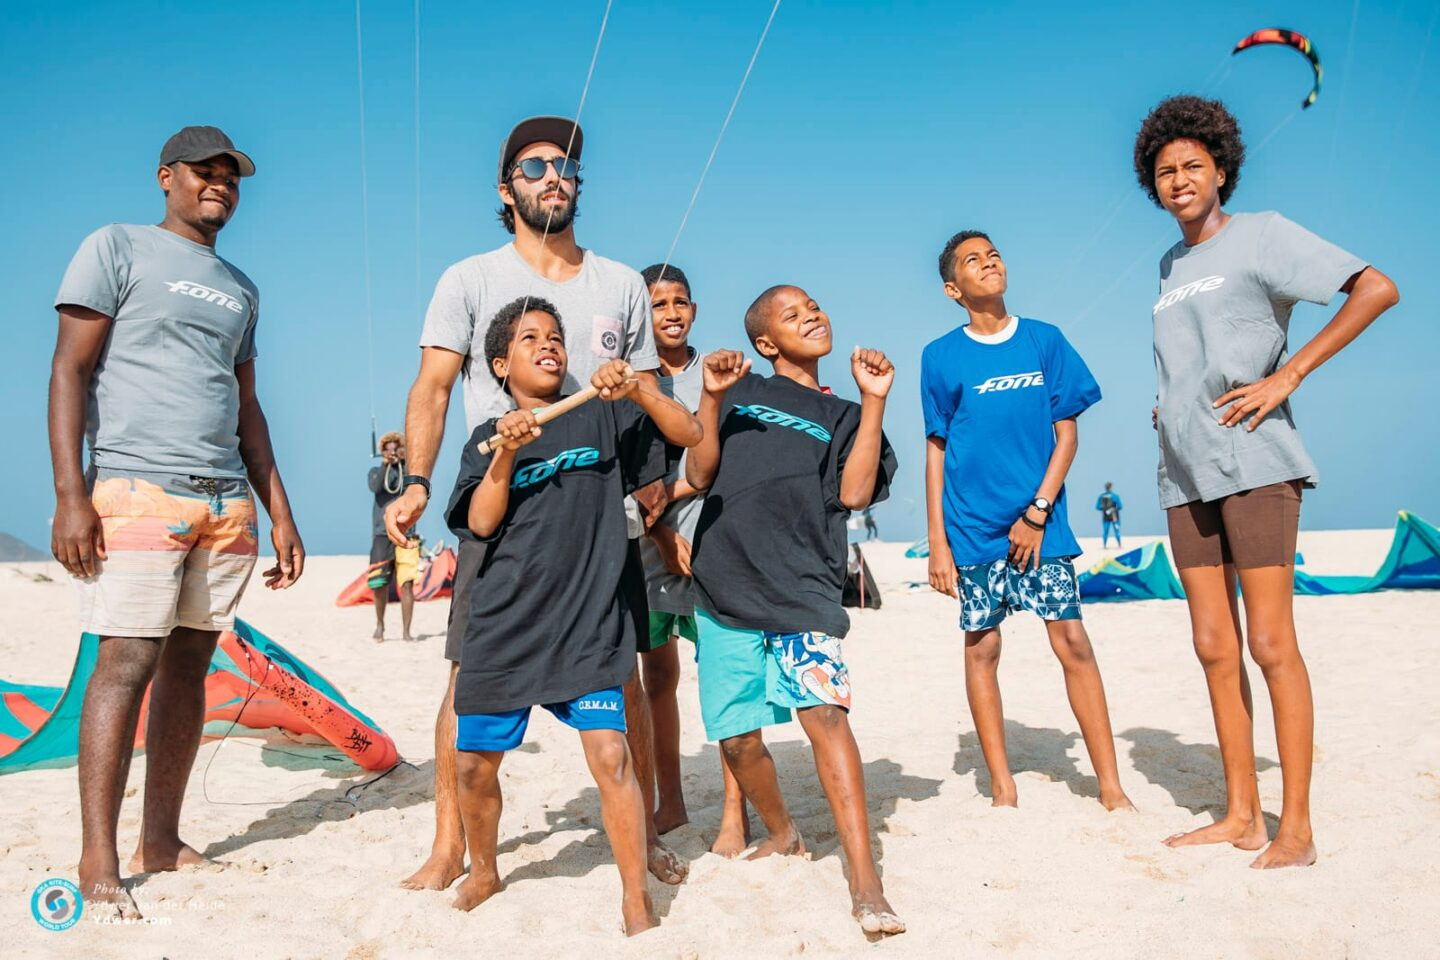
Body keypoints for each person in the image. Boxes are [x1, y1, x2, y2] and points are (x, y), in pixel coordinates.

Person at [383, 116, 684, 890]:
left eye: (567, 165)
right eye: (534, 165)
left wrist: (654, 489)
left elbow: (650, 395)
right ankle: (450, 845)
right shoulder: (469, 278)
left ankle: (642, 834)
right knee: (465, 675)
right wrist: (418, 480)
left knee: (620, 672)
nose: (554, 175)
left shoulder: (619, 283)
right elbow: (433, 387)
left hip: (598, 505)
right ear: (506, 187)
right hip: (504, 507)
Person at [1133, 96, 1399, 868]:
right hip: (1183, 473)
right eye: (1163, 171)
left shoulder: (1263, 234)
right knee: (1213, 646)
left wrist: (1288, 376)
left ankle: (1298, 830)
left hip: (1253, 462)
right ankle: (1242, 814)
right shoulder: (1168, 265)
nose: (1178, 179)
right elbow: (1192, 353)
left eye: (1191, 166)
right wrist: (1171, 403)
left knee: (1270, 642)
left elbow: (1376, 287)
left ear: (1221, 169)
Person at [48, 126, 304, 918]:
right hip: (138, 488)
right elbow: (70, 368)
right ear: (168, 177)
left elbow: (247, 405)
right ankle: (98, 856)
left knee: (192, 664)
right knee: (125, 662)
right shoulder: (116, 247)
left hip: (224, 501)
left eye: (231, 175)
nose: (220, 183)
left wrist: (280, 511)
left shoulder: (241, 287)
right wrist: (70, 494)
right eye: (205, 171)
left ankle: (161, 838)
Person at [444, 297, 700, 934]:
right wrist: (504, 454)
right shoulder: (484, 439)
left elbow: (689, 434)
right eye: (529, 338)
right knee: (473, 765)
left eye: (555, 336)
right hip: (506, 626)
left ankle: (635, 896)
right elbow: (480, 521)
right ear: (501, 365)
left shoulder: (601, 414)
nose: (548, 345)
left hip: (590, 620)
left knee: (611, 757)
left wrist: (638, 389)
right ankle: (483, 868)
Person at [687, 285, 905, 936]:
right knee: (736, 737)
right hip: (724, 581)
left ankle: (866, 881)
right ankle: (783, 832)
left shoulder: (842, 415)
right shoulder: (741, 391)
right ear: (765, 342)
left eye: (813, 306)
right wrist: (710, 396)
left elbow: (855, 491)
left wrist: (873, 401)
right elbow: (699, 474)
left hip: (805, 585)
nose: (811, 314)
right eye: (792, 314)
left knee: (825, 717)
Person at [921, 230, 1132, 813]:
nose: (988, 263)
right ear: (952, 288)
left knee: (1072, 641)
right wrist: (938, 543)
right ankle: (1003, 784)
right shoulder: (939, 356)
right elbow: (937, 450)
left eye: (993, 254)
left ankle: (1111, 786)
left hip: (1040, 523)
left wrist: (1037, 512)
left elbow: (1067, 434)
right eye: (972, 260)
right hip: (970, 528)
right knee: (982, 646)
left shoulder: (1045, 340)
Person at [367, 431, 410, 640]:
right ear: (382, 451)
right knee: (380, 582)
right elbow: (376, 487)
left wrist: (404, 460)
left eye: (396, 448)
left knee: (407, 582)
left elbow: (416, 487)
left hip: (407, 532)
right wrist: (386, 464)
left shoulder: (407, 471)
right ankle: (380, 625)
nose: (392, 452)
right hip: (381, 533)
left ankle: (406, 632)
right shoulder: (376, 471)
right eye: (388, 449)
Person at [1096, 482, 1123, 549]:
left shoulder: (1101, 496)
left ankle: (1104, 546)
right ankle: (1119, 545)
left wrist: (1105, 509)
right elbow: (1120, 506)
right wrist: (1113, 509)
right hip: (1114, 516)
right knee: (1117, 530)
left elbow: (1098, 507)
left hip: (1106, 516)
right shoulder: (1115, 496)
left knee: (1105, 531)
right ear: (1111, 487)